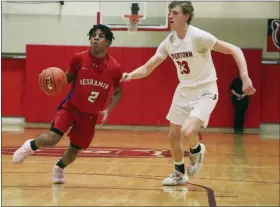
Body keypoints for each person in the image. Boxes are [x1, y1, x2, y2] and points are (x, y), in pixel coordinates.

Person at [121, 1, 256, 186]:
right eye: (169, 12)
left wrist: (245, 77)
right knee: (172, 135)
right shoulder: (169, 42)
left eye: (175, 13)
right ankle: (179, 173)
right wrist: (130, 76)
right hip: (184, 90)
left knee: (187, 131)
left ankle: (197, 149)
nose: (170, 16)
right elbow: (148, 67)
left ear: (186, 16)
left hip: (206, 90)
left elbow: (235, 49)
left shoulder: (198, 37)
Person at [13, 24, 123, 184]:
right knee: (52, 139)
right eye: (93, 35)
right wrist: (53, 80)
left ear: (107, 42)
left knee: (72, 153)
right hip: (71, 107)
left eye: (100, 36)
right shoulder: (79, 58)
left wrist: (108, 110)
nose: (96, 38)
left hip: (90, 116)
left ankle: (59, 167)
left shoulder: (115, 67)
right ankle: (29, 146)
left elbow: (118, 91)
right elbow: (68, 78)